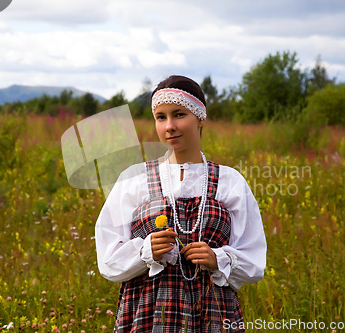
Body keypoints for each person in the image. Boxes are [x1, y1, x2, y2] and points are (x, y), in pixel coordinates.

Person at [95, 75, 267, 332]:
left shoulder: (230, 181)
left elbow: (254, 260)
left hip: (214, 313)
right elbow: (108, 260)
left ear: (200, 117)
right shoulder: (134, 179)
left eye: (179, 114)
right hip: (148, 313)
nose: (169, 126)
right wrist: (145, 251)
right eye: (161, 117)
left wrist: (217, 258)